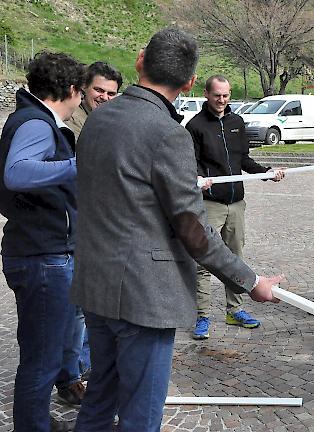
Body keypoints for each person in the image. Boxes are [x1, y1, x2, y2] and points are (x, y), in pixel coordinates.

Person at [70, 28, 282, 431]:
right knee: (140, 415)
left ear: (139, 62)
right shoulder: (169, 133)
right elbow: (193, 228)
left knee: (99, 398)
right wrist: (250, 281)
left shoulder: (97, 119)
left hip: (95, 283)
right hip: (143, 296)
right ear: (188, 85)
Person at [0, 52, 85, 432]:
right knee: (42, 359)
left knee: (42, 354)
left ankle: (34, 422)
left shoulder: (28, 119)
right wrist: (80, 165)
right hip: (43, 258)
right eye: (81, 93)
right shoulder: (36, 123)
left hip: (38, 253)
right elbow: (17, 173)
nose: (81, 101)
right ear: (69, 90)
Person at [186, 74, 284, 340]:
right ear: (206, 93)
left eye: (226, 95)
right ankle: (202, 316)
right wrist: (197, 179)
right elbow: (190, 163)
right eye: (217, 95)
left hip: (235, 203)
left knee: (235, 258)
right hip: (210, 203)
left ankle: (234, 310)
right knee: (203, 262)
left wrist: (266, 172)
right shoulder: (194, 126)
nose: (221, 100)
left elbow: (244, 160)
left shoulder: (236, 122)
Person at [54, 61, 122, 408]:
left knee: (92, 304)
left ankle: (87, 369)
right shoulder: (70, 125)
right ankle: (69, 377)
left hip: (100, 226)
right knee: (76, 307)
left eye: (112, 92)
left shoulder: (109, 122)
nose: (105, 97)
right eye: (99, 90)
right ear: (83, 89)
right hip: (72, 227)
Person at [66, 61, 123, 139]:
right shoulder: (71, 117)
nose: (105, 97)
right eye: (99, 90)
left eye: (111, 94)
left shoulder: (116, 119)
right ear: (84, 86)